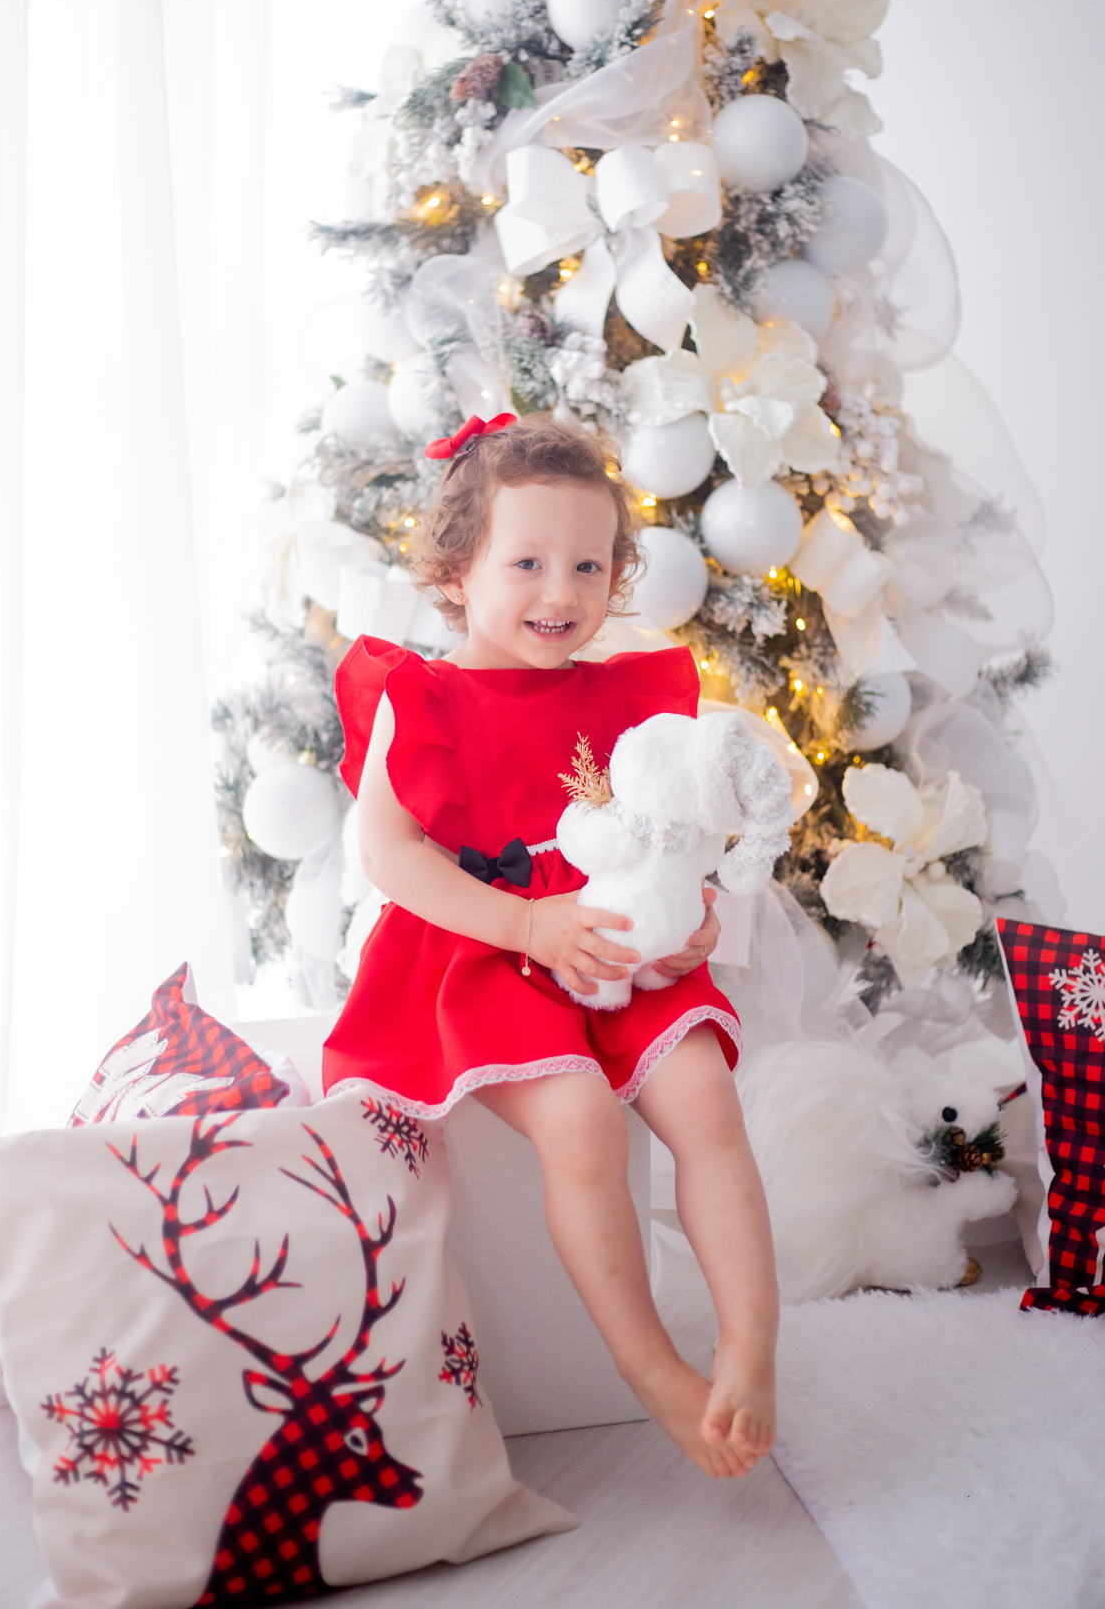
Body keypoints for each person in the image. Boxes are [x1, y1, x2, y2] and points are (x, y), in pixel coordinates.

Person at [323, 411, 779, 1479]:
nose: (560, 591)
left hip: (613, 939)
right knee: (579, 1120)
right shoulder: (422, 694)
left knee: (706, 1097)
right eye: (526, 563)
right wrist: (526, 923)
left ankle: (753, 1343)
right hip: (484, 947)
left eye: (587, 564)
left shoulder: (623, 697)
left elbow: (667, 836)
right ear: (456, 570)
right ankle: (651, 1366)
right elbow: (389, 853)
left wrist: (690, 918)